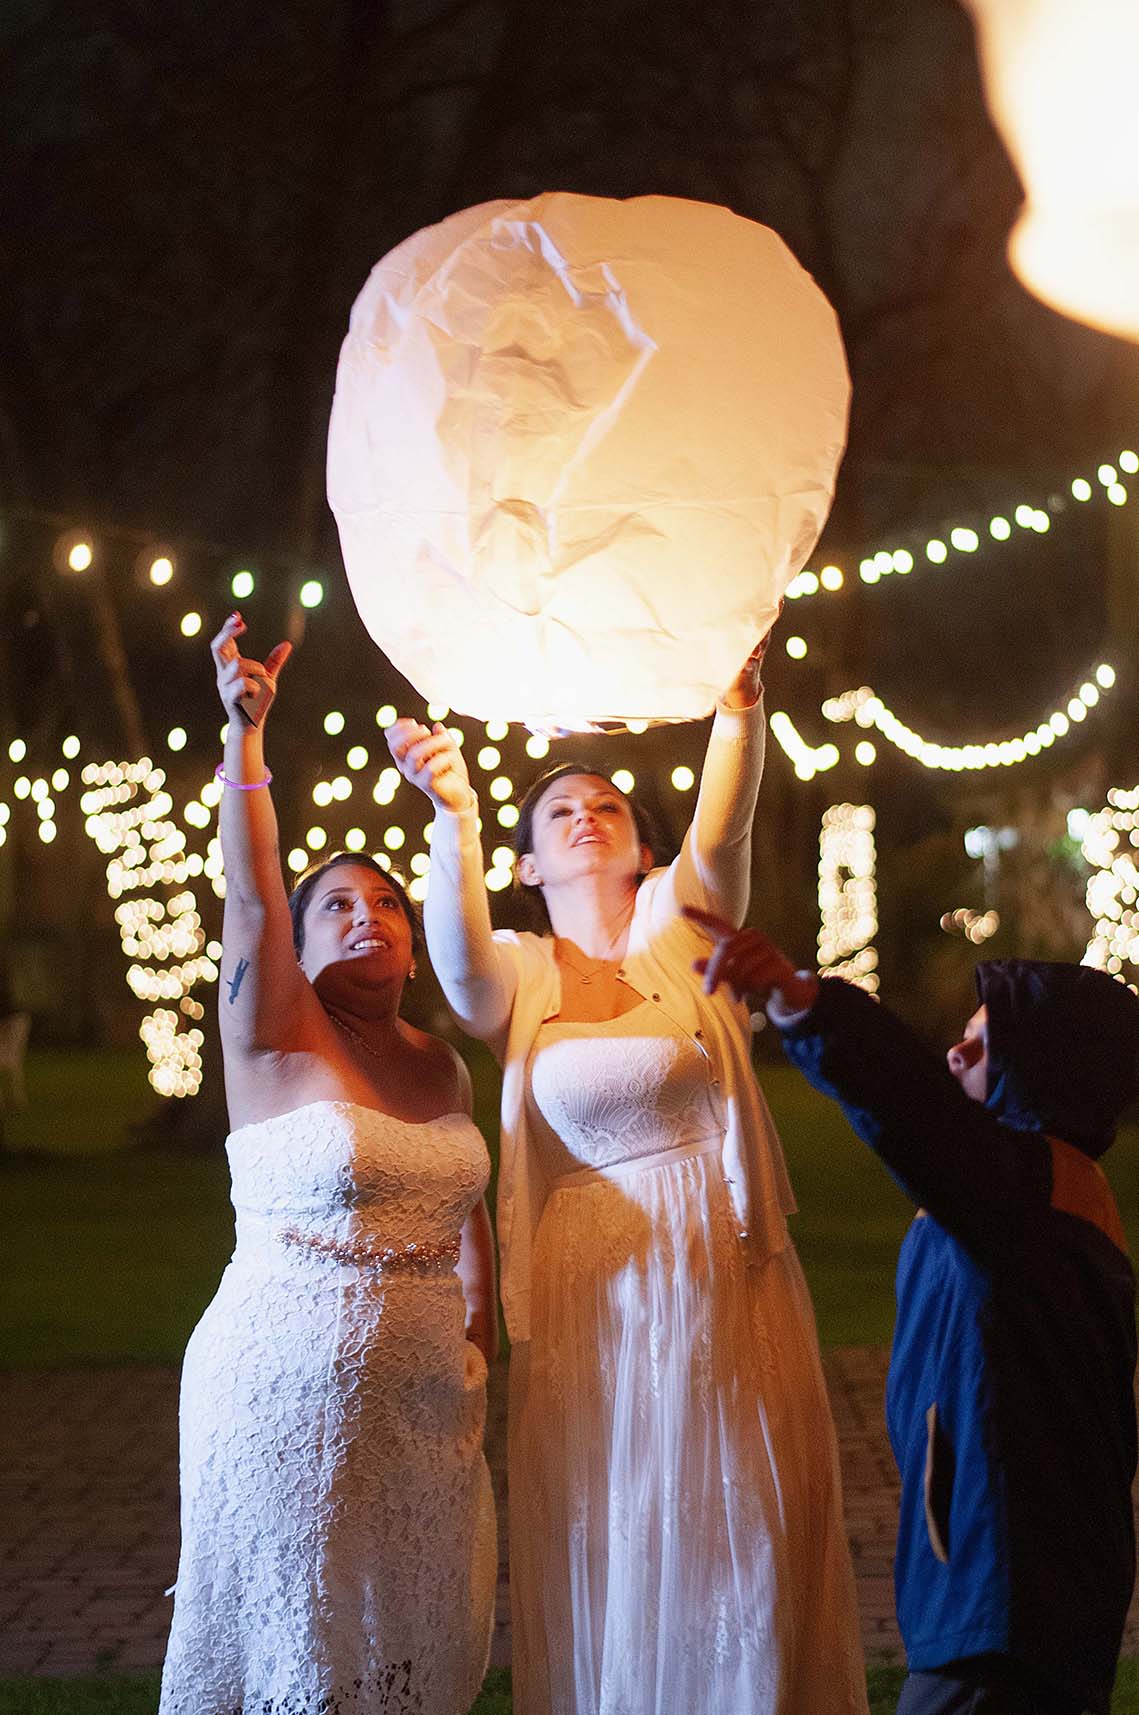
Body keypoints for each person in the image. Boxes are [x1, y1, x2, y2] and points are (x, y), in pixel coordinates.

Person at [387, 634, 868, 1715]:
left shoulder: (672, 931)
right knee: (616, 1518)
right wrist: (452, 817)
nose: (585, 813)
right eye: (558, 811)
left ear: (642, 848)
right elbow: (455, 959)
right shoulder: (519, 970)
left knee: (732, 1514)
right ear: (526, 865)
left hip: (717, 1266)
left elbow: (723, 826)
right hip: (586, 1297)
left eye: (606, 803)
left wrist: (737, 709)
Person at [158, 613, 498, 1715]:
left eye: (388, 901)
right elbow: (251, 891)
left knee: (411, 1644)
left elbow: (469, 1223)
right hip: (279, 1397)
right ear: (295, 950)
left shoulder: (440, 1066)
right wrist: (246, 741)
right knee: (296, 1656)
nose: (369, 916)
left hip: (425, 1415)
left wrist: (478, 1347)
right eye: (338, 904)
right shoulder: (272, 1038)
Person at [686, 908, 1139, 1715]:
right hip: (1013, 1593)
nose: (954, 1051)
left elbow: (910, 1106)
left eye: (983, 1040)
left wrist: (804, 1002)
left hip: (1000, 1600)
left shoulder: (1026, 1189)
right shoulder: (1025, 1187)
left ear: (1043, 1067)